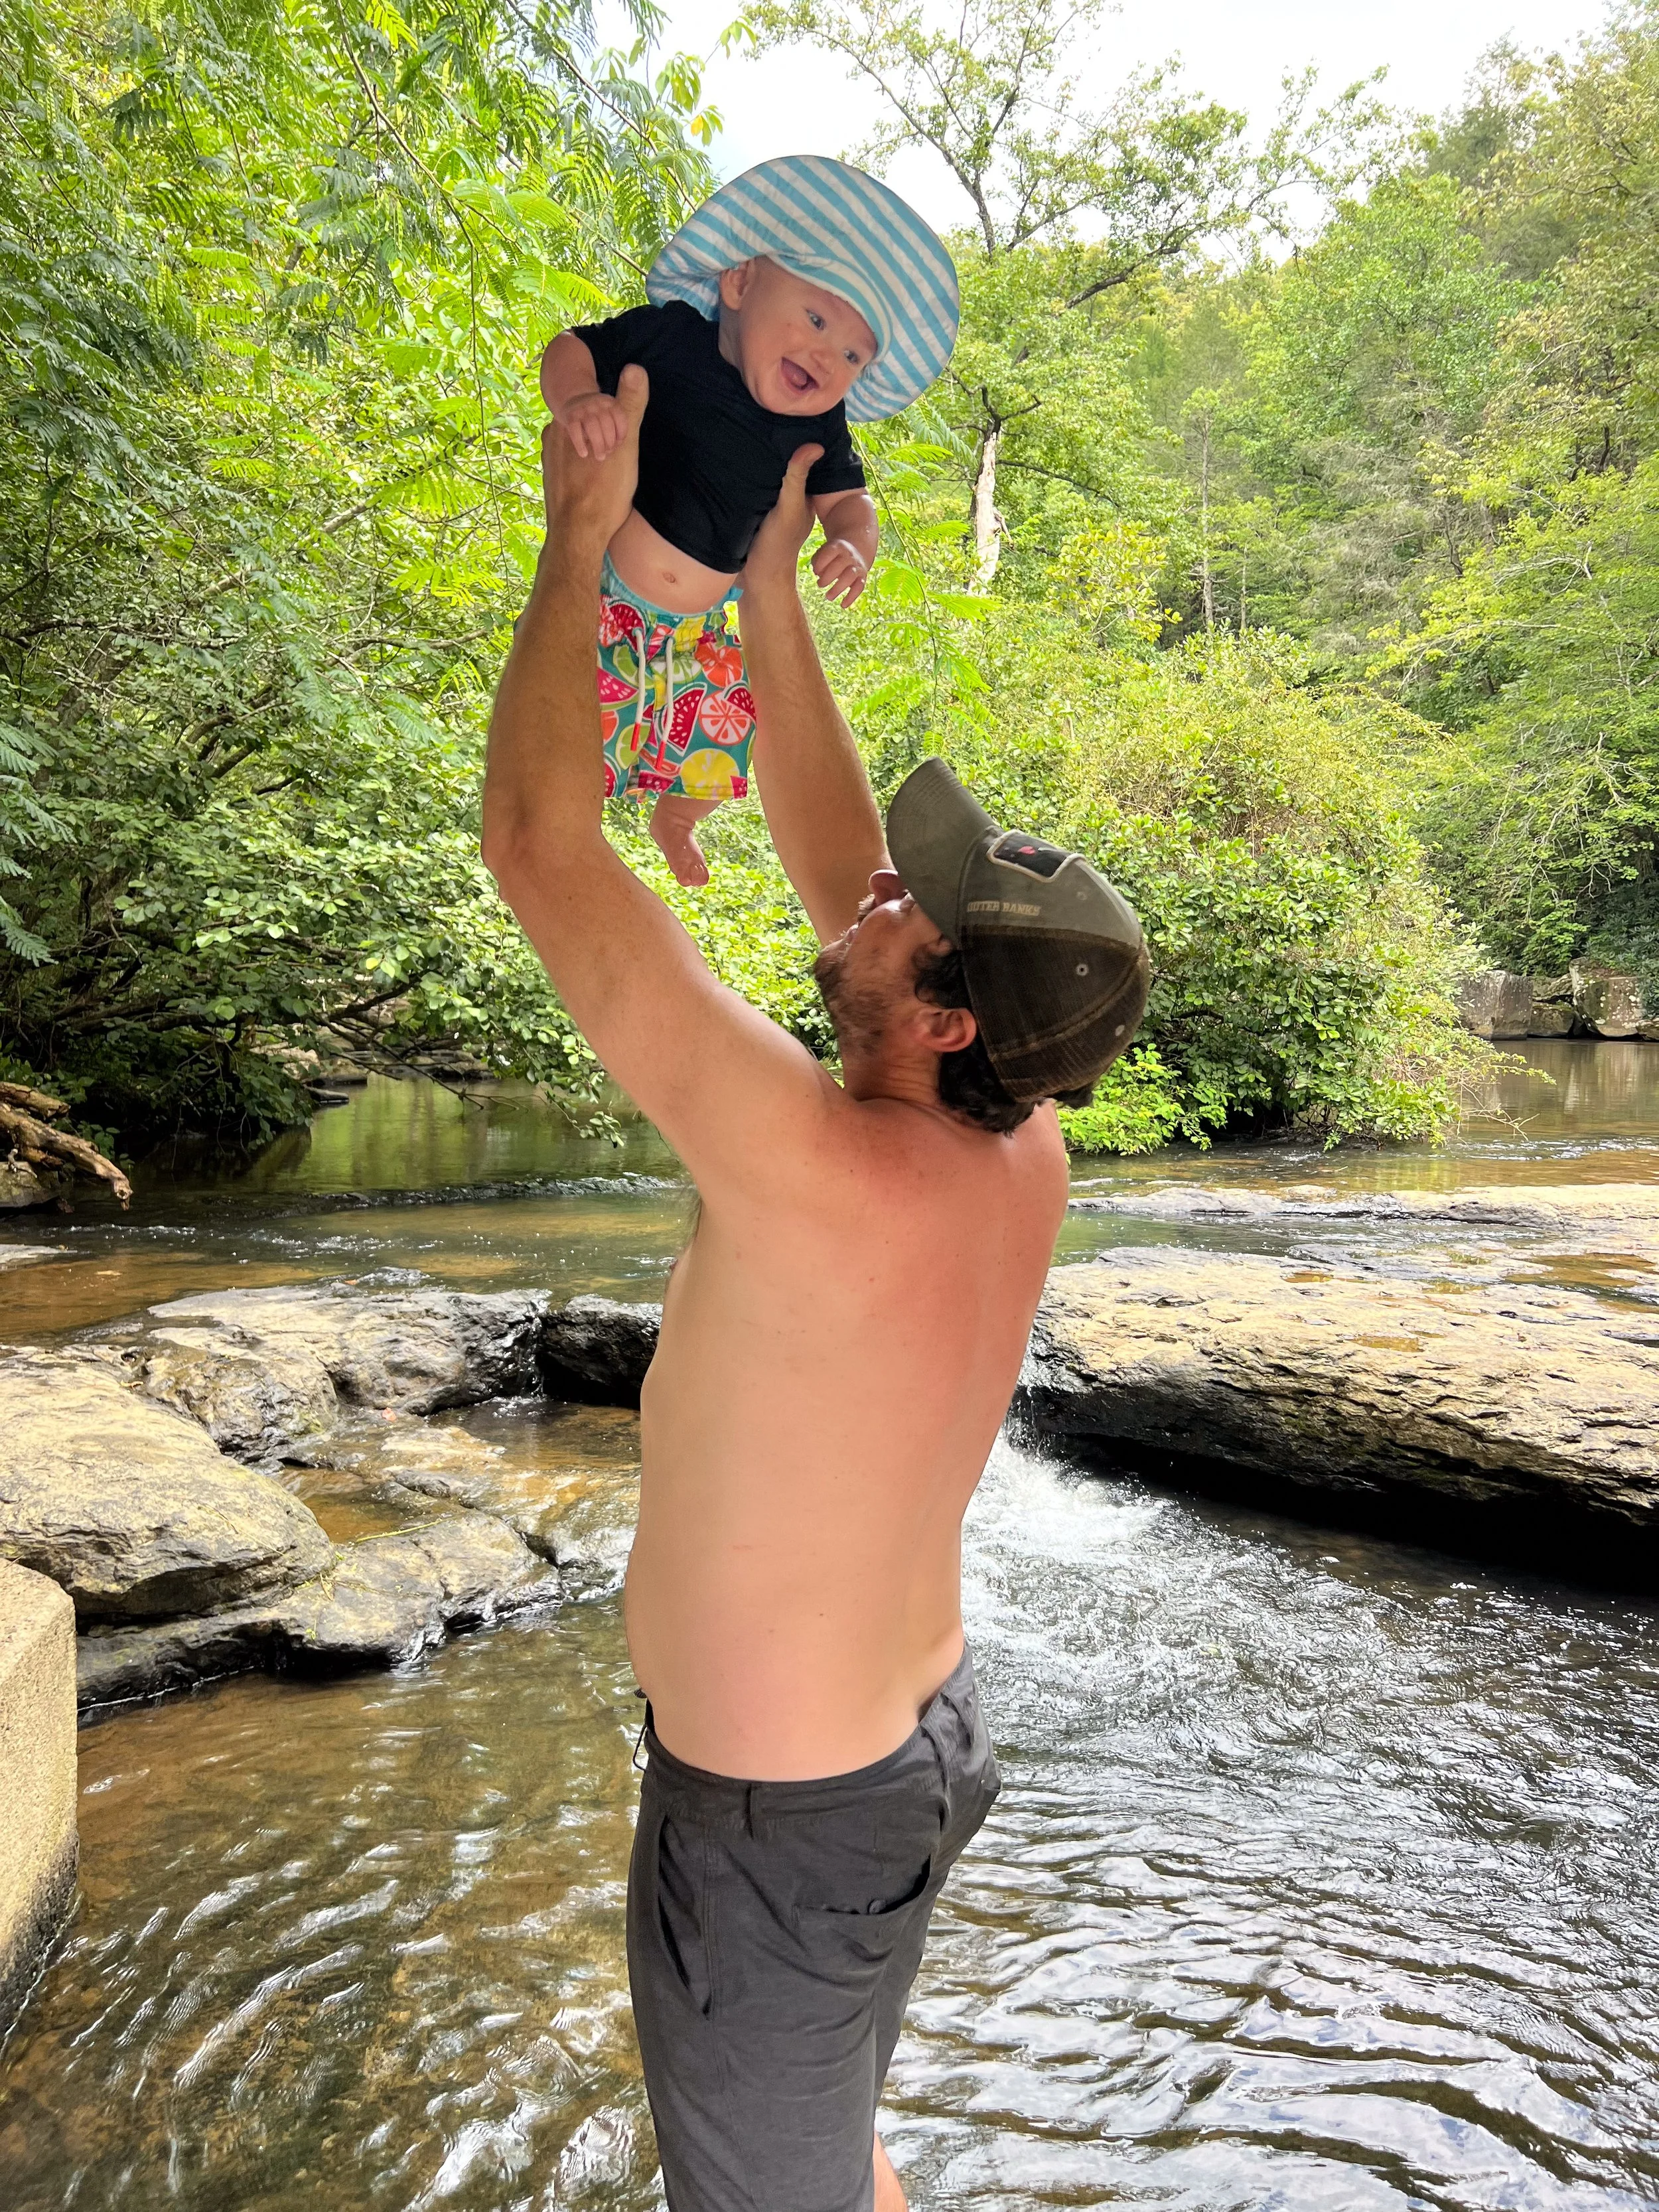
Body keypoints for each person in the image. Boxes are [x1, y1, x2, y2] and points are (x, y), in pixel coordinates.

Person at [482, 367, 1149, 2212]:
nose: (857, 895)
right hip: (903, 1759)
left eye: (897, 913)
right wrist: (765, 583)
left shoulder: (816, 1172)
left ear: (939, 1016)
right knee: (825, 2163)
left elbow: (544, 852)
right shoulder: (1012, 1144)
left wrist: (569, 541)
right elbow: (837, 844)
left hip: (784, 1827)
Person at [538, 153, 958, 887]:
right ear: (738, 284)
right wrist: (578, 402)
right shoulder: (671, 339)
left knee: (738, 714)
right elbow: (571, 347)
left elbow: (849, 503)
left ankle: (678, 817)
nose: (827, 355)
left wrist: (853, 546)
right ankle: (562, 822)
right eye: (817, 317)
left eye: (853, 353)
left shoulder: (819, 427)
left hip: (708, 623)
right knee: (573, 718)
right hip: (605, 591)